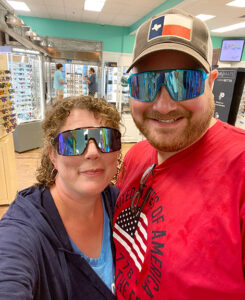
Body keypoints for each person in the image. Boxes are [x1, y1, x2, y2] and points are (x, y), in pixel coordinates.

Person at [113, 8, 245, 300]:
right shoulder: (136, 156)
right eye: (146, 84)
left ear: (210, 84)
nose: (162, 105)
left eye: (184, 83)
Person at [0, 96, 122, 299]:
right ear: (52, 155)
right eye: (74, 141)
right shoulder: (24, 227)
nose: (92, 152)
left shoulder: (120, 204)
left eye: (105, 139)